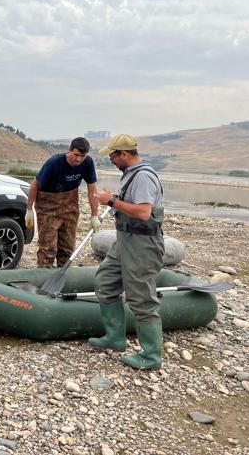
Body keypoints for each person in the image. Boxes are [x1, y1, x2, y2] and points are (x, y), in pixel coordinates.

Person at [87, 134, 165, 370]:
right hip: (124, 242)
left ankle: (151, 356)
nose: (110, 159)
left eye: (112, 155)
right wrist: (115, 200)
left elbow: (143, 212)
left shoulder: (143, 176)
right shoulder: (131, 175)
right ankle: (115, 338)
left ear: (124, 154)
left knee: (142, 298)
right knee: (106, 282)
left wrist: (111, 202)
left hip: (143, 245)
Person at [25, 137, 99, 268]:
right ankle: (44, 272)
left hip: (70, 206)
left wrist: (94, 215)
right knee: (47, 247)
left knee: (67, 248)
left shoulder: (87, 163)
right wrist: (29, 209)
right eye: (76, 155)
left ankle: (63, 276)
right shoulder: (54, 163)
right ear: (69, 151)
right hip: (48, 206)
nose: (78, 159)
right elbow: (35, 185)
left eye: (82, 156)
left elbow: (92, 188)